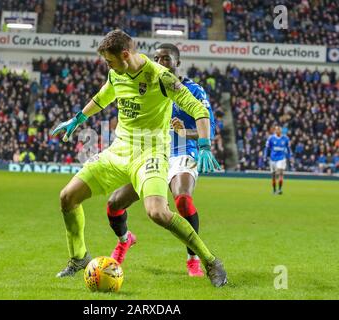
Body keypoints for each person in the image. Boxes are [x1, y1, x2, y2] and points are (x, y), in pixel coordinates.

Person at [51, 30, 227, 287]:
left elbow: (198, 109)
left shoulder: (160, 77)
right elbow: (102, 97)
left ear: (125, 55)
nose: (107, 66)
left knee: (157, 212)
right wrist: (77, 119)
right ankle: (79, 258)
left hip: (151, 153)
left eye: (110, 61)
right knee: (68, 197)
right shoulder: (116, 73)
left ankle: (211, 261)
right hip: (119, 151)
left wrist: (203, 144)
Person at [105, 43, 217, 277]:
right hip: (152, 154)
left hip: (183, 151)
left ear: (177, 63)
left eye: (165, 59)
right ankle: (125, 240)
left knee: (183, 200)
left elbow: (209, 129)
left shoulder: (193, 90)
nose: (159, 62)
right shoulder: (145, 85)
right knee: (114, 203)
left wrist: (187, 132)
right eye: (156, 58)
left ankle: (193, 258)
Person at [264, 125, 292, 195]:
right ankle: (274, 190)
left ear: (281, 131)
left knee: (280, 172)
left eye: (279, 130)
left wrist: (290, 156)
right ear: (275, 131)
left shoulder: (285, 138)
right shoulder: (271, 138)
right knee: (273, 175)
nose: (278, 131)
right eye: (276, 130)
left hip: (281, 158)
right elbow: (267, 148)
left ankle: (279, 189)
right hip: (273, 159)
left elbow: (288, 148)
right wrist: (265, 155)